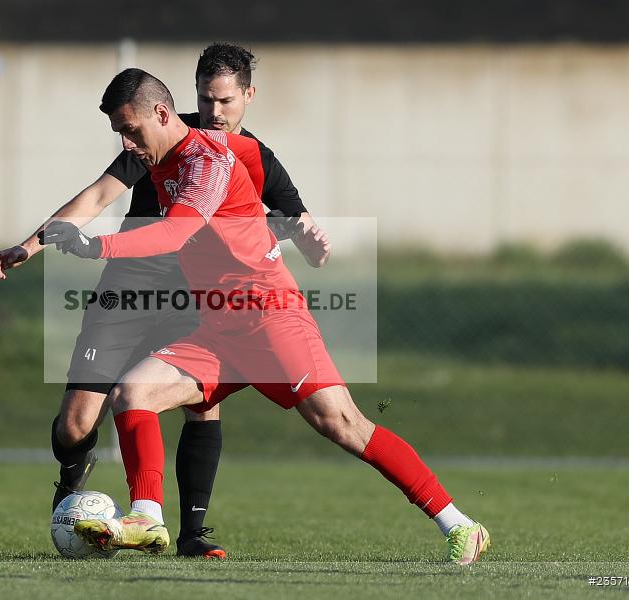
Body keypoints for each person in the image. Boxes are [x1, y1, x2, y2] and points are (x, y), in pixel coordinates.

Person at [46, 67, 490, 565]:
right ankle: (148, 517)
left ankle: (460, 524)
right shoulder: (162, 159)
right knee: (134, 392)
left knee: (343, 424)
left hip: (270, 318)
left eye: (131, 130)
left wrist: (94, 245)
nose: (127, 144)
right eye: (120, 134)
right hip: (218, 327)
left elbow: (173, 236)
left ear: (162, 114)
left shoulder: (206, 162)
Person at [0, 43, 330, 558]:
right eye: (204, 98)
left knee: (202, 408)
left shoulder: (256, 157)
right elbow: (97, 196)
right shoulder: (161, 137)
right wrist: (33, 243)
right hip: (127, 288)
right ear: (183, 100)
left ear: (247, 97)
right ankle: (70, 488)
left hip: (196, 298)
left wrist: (307, 242)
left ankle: (192, 534)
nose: (214, 112)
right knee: (76, 423)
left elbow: (296, 223)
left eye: (224, 101)